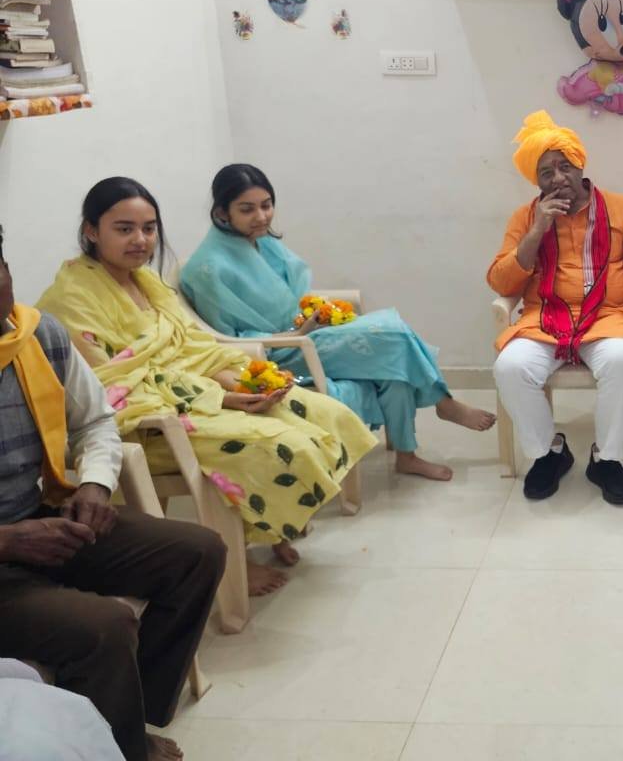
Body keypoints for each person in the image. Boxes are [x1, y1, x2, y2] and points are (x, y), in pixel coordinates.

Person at [37, 177, 379, 597]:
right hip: (144, 423)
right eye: (124, 229)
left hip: (189, 394)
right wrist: (221, 398)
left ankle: (272, 530)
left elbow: (194, 348)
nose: (140, 240)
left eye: (149, 228)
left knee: (322, 412)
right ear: (92, 231)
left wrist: (240, 383)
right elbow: (110, 386)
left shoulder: (147, 283)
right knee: (274, 444)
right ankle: (236, 561)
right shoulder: (71, 299)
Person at [0, 224, 226, 761]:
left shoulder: (35, 336)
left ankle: (122, 719)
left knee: (197, 552)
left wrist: (96, 486)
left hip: (38, 517)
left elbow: (96, 421)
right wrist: (7, 541)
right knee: (104, 626)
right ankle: (123, 745)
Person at [180, 164, 494, 483]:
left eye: (266, 205)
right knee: (393, 334)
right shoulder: (208, 269)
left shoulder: (260, 241)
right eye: (247, 209)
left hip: (307, 334)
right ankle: (444, 402)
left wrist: (312, 316)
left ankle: (407, 456)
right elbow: (229, 341)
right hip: (279, 353)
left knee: (393, 359)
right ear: (222, 212)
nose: (261, 217)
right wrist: (296, 332)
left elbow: (293, 298)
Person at [489, 109, 623, 506]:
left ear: (579, 165)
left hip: (608, 318)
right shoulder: (525, 217)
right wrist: (537, 230)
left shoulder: (620, 208)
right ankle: (549, 454)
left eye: (564, 166)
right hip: (544, 320)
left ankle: (607, 460)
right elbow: (502, 282)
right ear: (536, 181)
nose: (557, 178)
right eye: (546, 173)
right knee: (510, 367)